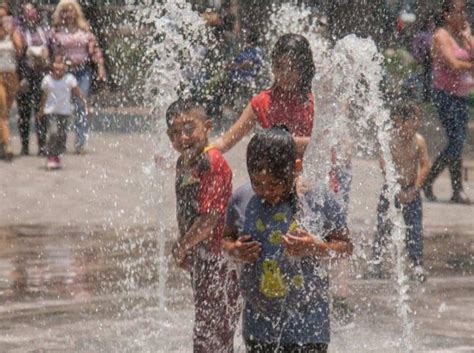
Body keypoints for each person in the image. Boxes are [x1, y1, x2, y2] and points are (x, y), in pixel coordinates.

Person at [223, 126, 352, 353]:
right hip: (258, 325)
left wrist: (315, 246)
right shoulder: (242, 198)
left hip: (309, 326)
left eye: (274, 184)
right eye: (258, 183)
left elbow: (345, 248)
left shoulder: (318, 199)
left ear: (296, 168)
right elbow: (226, 240)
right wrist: (235, 249)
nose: (265, 191)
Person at [165, 99, 240, 353]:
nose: (183, 137)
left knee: (214, 333)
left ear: (207, 127)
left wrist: (182, 245)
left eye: (189, 128)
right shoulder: (184, 164)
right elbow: (185, 211)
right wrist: (187, 249)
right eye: (175, 132)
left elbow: (210, 218)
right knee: (206, 330)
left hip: (220, 259)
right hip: (202, 256)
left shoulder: (212, 162)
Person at [212, 33, 315, 157]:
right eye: (279, 67)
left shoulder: (317, 100)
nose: (285, 74)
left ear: (304, 68)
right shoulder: (262, 102)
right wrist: (200, 152)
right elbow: (224, 142)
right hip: (277, 174)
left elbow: (324, 145)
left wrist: (280, 142)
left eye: (292, 67)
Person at [373, 100, 431, 281]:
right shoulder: (389, 139)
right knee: (384, 224)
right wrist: (394, 188)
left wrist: (415, 188)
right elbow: (384, 164)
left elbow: (424, 165)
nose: (417, 124)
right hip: (391, 190)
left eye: (418, 120)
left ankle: (417, 264)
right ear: (398, 120)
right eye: (413, 120)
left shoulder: (419, 141)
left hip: (411, 190)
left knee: (414, 228)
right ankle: (377, 261)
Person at [423, 0, 474, 204]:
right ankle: (431, 181)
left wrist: (468, 37)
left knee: (457, 142)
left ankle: (455, 190)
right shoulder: (440, 36)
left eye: (464, 11)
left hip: (461, 97)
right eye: (459, 12)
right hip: (445, 95)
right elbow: (452, 65)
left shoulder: (462, 36)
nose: (462, 16)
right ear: (446, 15)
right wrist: (470, 65)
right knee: (455, 141)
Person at [52, 0, 106, 154]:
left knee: (82, 105)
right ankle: (61, 140)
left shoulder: (85, 30)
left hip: (82, 71)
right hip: (64, 72)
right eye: (65, 11)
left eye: (71, 11)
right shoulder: (57, 31)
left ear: (76, 12)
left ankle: (80, 142)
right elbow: (54, 52)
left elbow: (95, 50)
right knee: (62, 105)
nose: (69, 14)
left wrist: (100, 67)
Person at [36, 52, 88, 170]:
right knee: (53, 133)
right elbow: (44, 96)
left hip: (64, 112)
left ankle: (57, 156)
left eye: (61, 63)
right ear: (52, 65)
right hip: (51, 111)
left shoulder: (69, 79)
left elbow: (78, 92)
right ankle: (51, 157)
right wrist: (41, 110)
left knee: (62, 136)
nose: (58, 66)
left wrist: (86, 104)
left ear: (65, 66)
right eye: (56, 63)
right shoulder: (47, 80)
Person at [17, 2, 52, 156]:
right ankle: (24, 146)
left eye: (32, 10)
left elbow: (53, 47)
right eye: (26, 11)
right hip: (25, 74)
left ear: (37, 13)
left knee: (41, 110)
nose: (29, 13)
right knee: (24, 112)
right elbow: (16, 51)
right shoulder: (19, 31)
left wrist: (46, 55)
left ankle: (42, 145)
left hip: (42, 75)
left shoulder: (45, 30)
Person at [0, 10, 22, 161]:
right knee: (1, 109)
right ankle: (7, 144)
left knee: (5, 112)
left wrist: (11, 32)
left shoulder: (13, 32)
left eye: (5, 16)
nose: (3, 19)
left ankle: (2, 142)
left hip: (11, 75)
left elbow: (20, 50)